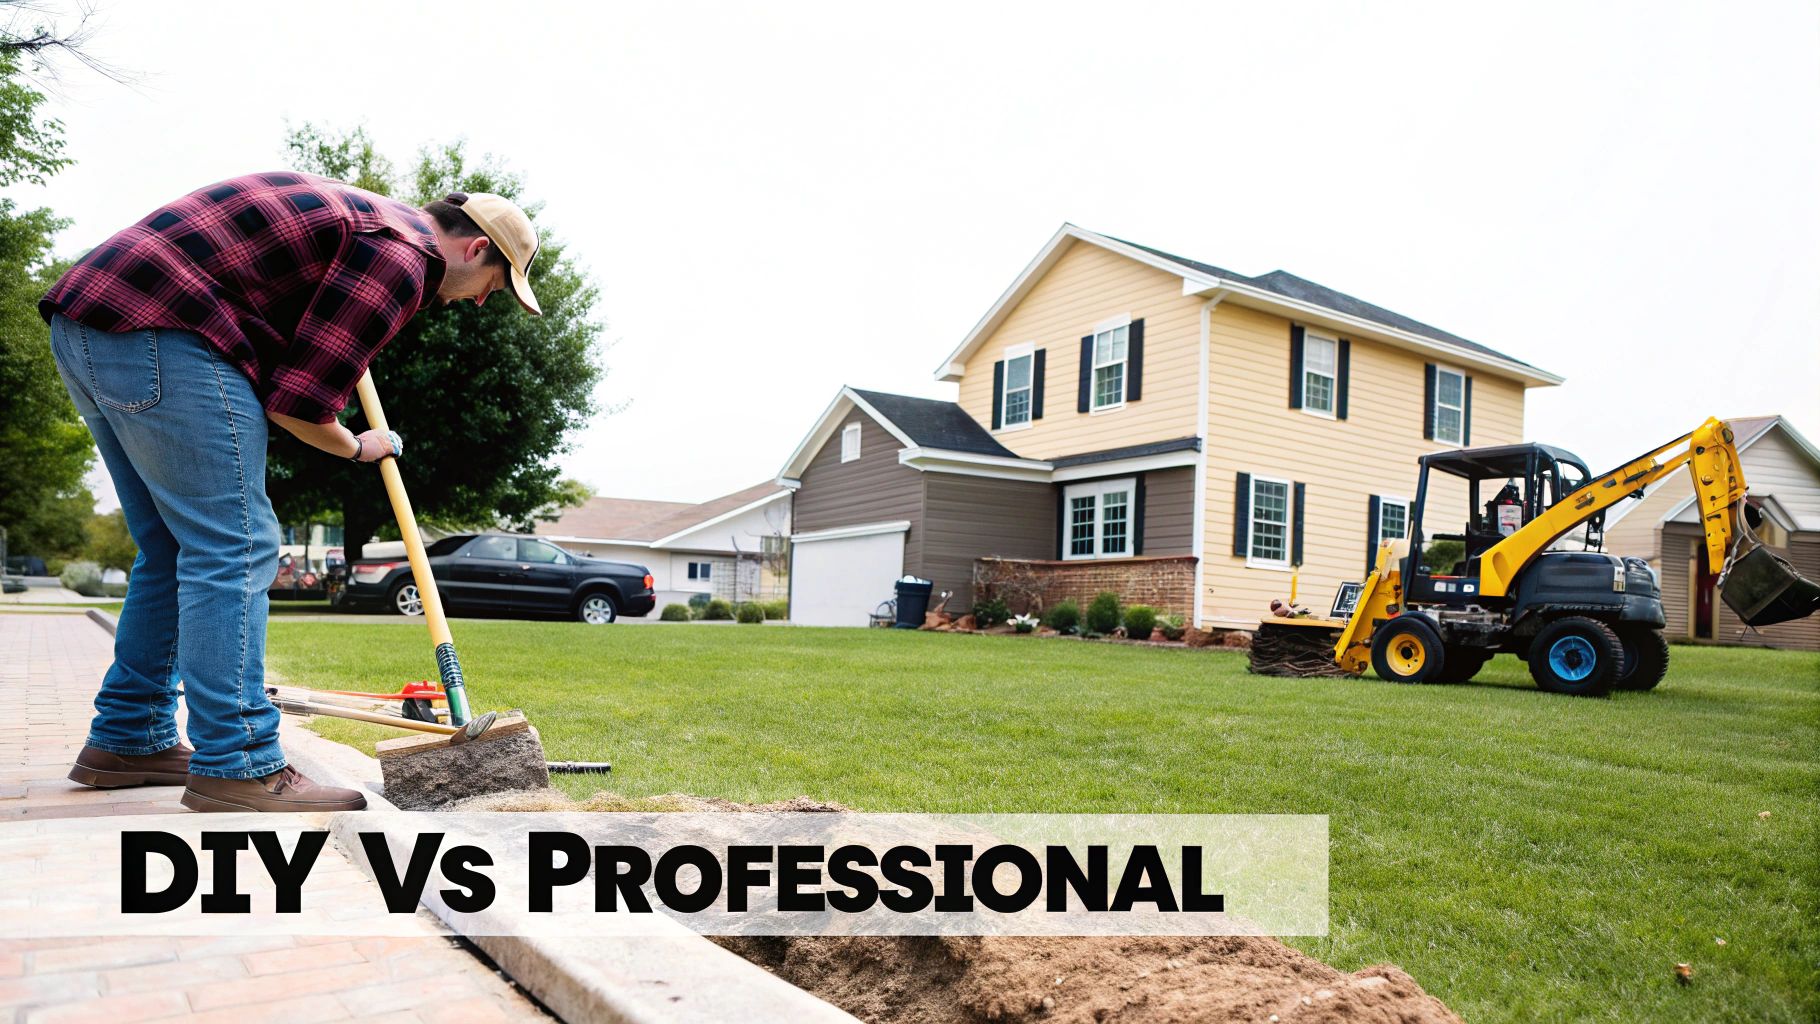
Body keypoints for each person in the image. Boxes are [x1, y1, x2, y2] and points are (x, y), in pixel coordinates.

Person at [39, 171, 542, 811]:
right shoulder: (402, 260)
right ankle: (240, 762)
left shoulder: (373, 224)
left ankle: (128, 740)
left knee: (170, 548)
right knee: (238, 546)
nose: (478, 302)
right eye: (495, 287)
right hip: (165, 333)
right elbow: (299, 405)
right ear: (476, 250)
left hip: (92, 320)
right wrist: (361, 445)